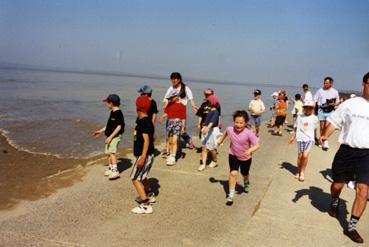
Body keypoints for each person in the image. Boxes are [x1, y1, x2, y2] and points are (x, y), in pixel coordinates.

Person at [319, 72, 369, 244]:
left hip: (366, 155)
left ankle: (351, 227)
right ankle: (334, 201)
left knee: (363, 190)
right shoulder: (350, 104)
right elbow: (334, 121)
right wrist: (325, 135)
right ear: (364, 84)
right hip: (347, 151)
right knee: (337, 185)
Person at [218, 110, 260, 205]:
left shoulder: (248, 133)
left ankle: (246, 181)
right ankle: (231, 195)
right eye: (236, 122)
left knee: (244, 173)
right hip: (233, 155)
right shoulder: (230, 129)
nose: (238, 125)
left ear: (245, 123)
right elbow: (225, 132)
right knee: (233, 173)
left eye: (241, 123)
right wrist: (221, 140)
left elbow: (257, 145)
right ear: (234, 121)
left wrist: (249, 150)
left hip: (246, 158)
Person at [131, 95, 156, 214]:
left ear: (138, 108)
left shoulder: (144, 123)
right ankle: (150, 194)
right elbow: (152, 138)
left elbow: (146, 140)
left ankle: (145, 205)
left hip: (144, 155)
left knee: (135, 178)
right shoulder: (147, 122)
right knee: (143, 176)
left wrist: (142, 157)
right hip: (148, 154)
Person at [94, 94, 125, 180]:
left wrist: (111, 137)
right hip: (110, 136)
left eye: (107, 102)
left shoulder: (118, 113)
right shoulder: (112, 112)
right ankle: (111, 168)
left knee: (112, 152)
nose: (106, 104)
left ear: (111, 103)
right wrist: (100, 131)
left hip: (115, 136)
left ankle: (115, 171)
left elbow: (119, 126)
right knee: (108, 153)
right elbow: (109, 125)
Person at [163, 72, 198, 149]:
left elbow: (191, 98)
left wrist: (193, 106)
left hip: (181, 111)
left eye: (175, 78)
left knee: (180, 129)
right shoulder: (171, 88)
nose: (173, 80)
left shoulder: (185, 88)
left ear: (179, 79)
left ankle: (186, 141)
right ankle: (169, 147)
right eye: (172, 79)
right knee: (169, 129)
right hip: (171, 110)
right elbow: (166, 99)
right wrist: (165, 106)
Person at [288, 100, 319, 182]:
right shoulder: (300, 116)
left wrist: (317, 138)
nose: (308, 109)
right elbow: (296, 128)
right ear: (304, 108)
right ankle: (298, 171)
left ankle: (302, 172)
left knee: (305, 156)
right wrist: (293, 137)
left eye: (310, 108)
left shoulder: (315, 118)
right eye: (306, 108)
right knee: (300, 156)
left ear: (313, 109)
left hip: (309, 139)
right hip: (300, 138)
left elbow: (315, 129)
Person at [159, 90, 186, 166]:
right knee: (170, 141)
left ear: (177, 97)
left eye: (172, 97)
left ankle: (173, 156)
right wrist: (162, 117)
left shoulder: (182, 106)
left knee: (175, 141)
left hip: (178, 123)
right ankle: (170, 154)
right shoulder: (169, 104)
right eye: (170, 97)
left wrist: (183, 127)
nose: (170, 98)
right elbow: (167, 113)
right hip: (169, 123)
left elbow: (183, 117)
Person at [314, 77, 340, 150]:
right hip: (321, 110)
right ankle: (321, 140)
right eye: (324, 83)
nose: (325, 84)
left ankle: (325, 141)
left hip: (330, 111)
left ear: (331, 83)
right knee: (322, 127)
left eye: (327, 83)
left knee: (327, 126)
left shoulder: (335, 91)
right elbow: (315, 100)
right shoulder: (320, 90)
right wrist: (312, 110)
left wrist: (333, 104)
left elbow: (337, 102)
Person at [198, 95, 221, 171]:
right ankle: (203, 164)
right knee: (204, 147)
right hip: (205, 129)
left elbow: (212, 121)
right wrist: (203, 127)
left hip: (211, 131)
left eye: (208, 101)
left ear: (212, 103)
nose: (207, 102)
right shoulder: (210, 110)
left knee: (211, 149)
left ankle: (215, 161)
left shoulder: (215, 111)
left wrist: (207, 128)